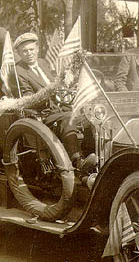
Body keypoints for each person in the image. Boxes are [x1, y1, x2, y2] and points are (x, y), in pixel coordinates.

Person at [13, 32, 96, 174]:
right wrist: (50, 91)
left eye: (31, 49)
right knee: (68, 119)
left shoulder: (43, 63)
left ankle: (94, 157)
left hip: (60, 108)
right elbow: (28, 99)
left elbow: (57, 83)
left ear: (37, 48)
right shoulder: (18, 71)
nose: (29, 53)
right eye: (24, 51)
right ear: (19, 53)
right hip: (43, 114)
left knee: (91, 117)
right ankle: (78, 161)